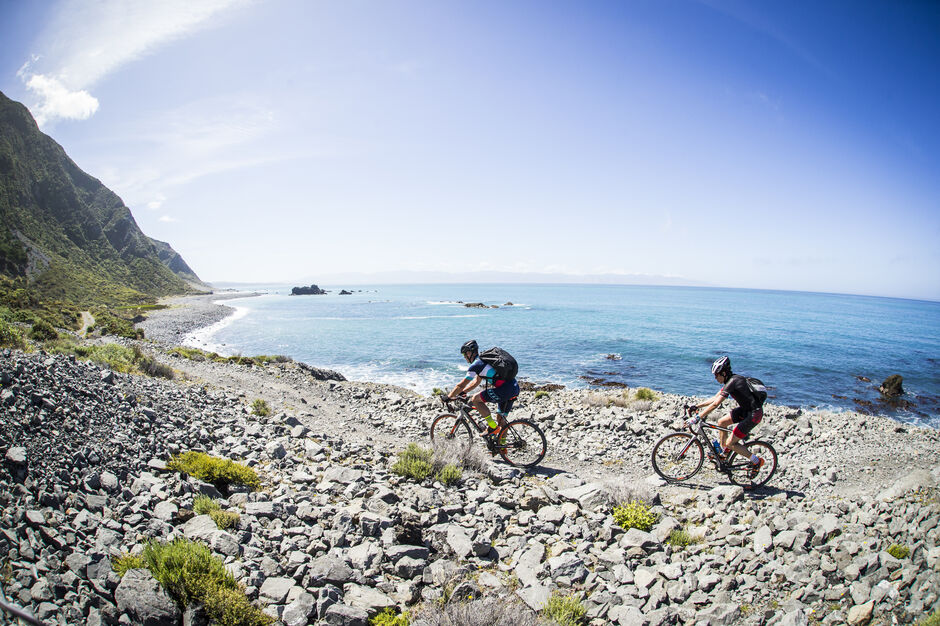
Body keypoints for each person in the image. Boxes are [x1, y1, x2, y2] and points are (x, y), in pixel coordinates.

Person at [687, 356, 765, 477]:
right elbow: (715, 398)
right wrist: (697, 406)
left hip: (754, 414)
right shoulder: (730, 382)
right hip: (746, 410)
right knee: (722, 422)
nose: (715, 378)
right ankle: (723, 454)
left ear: (723, 373)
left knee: (731, 443)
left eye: (716, 375)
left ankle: (756, 461)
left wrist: (697, 417)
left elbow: (716, 404)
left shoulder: (733, 381)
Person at [446, 340, 520, 436]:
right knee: (501, 420)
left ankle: (492, 427)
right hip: (514, 387)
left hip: (504, 390)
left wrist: (448, 397)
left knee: (475, 399)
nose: (464, 357)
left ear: (469, 353)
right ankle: (502, 448)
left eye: (465, 354)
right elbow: (476, 382)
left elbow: (461, 385)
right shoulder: (484, 362)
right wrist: (463, 392)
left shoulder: (476, 365)